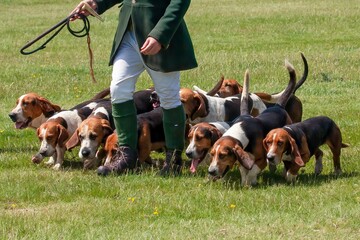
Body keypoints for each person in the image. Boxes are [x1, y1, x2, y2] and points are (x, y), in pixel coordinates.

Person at [71, 0, 197, 176]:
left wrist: (160, 34)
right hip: (128, 32)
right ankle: (126, 156)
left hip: (158, 34)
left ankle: (173, 159)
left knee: (168, 96)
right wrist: (97, 3)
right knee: (118, 89)